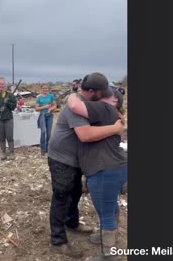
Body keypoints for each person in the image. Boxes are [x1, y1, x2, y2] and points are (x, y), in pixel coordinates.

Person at [47, 72, 125, 258]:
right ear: (92, 91)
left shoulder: (88, 104)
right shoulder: (77, 107)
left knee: (74, 194)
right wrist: (115, 128)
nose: (105, 96)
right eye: (101, 92)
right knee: (61, 196)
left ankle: (72, 223)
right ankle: (57, 239)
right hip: (62, 158)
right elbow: (85, 135)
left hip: (77, 159)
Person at [67, 87, 127, 260]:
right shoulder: (113, 114)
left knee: (106, 213)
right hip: (116, 168)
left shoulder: (104, 109)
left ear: (114, 100)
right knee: (110, 205)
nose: (98, 97)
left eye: (105, 95)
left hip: (104, 170)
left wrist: (75, 92)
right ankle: (106, 237)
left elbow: (75, 106)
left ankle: (108, 255)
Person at [35, 84, 56, 156]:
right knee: (43, 131)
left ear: (48, 89)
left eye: (46, 88)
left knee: (49, 133)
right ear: (41, 89)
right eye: (43, 88)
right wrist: (44, 107)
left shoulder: (51, 96)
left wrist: (50, 109)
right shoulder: (39, 98)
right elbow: (36, 108)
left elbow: (55, 105)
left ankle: (48, 148)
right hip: (42, 116)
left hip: (50, 116)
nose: (45, 90)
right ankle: (43, 149)